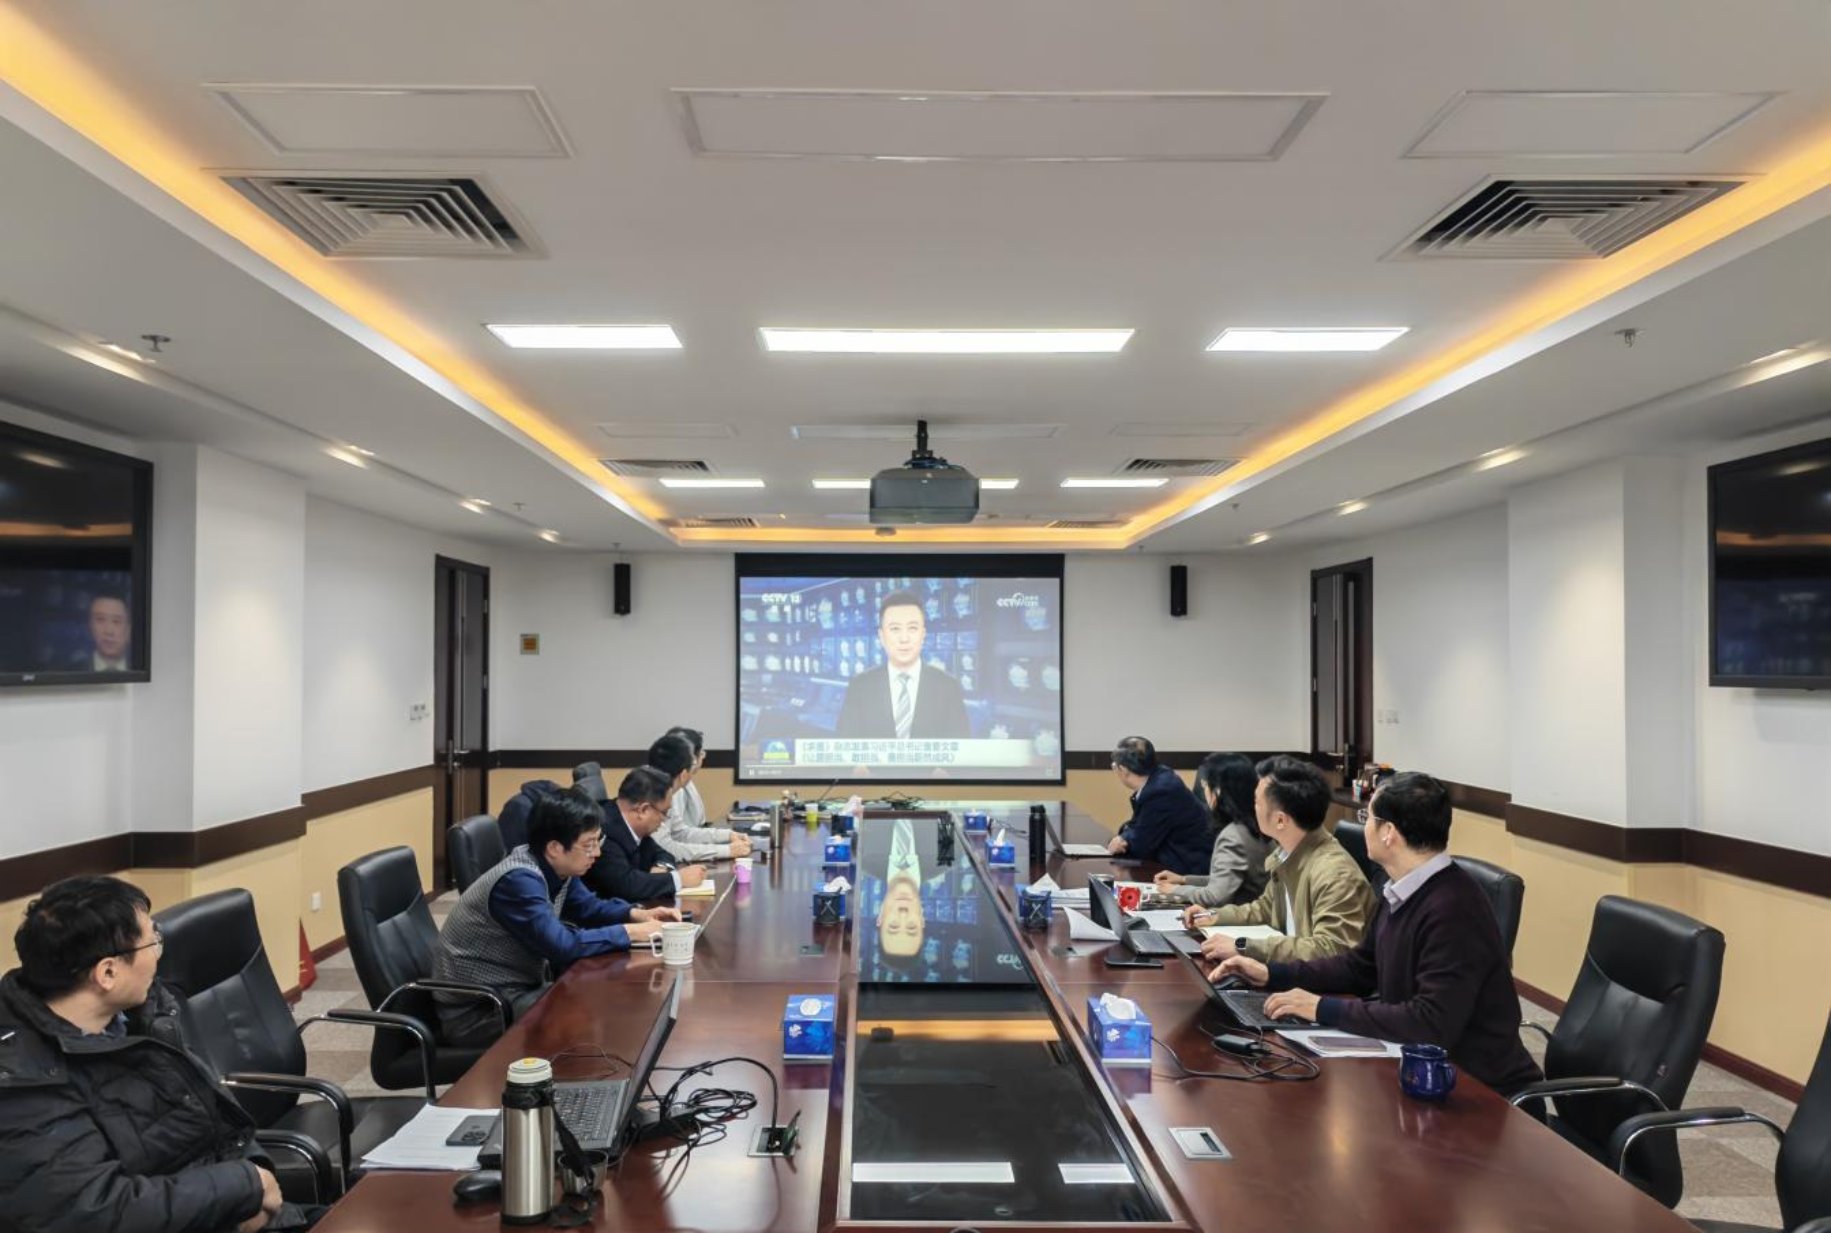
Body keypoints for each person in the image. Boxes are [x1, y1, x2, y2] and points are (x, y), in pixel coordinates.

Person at [0, 875, 303, 1233]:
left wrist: (255, 1180)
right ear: (107, 972)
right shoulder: (24, 1084)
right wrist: (245, 1187)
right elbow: (93, 1211)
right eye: (152, 943)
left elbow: (216, 1116)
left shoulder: (142, 1014)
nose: (159, 955)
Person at [1212, 772, 1543, 1095]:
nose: (1365, 826)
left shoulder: (1454, 908)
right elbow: (1359, 967)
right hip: (1419, 1069)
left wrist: (1321, 1008)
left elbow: (1430, 1021)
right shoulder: (1401, 889)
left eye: (1367, 817)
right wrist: (1272, 973)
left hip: (1477, 1091)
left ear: (1389, 833)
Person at [432, 788, 681, 1046]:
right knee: (596, 1007)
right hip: (480, 1010)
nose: (597, 853)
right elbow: (563, 946)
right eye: (589, 845)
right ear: (554, 848)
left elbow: (588, 907)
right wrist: (630, 932)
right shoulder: (519, 881)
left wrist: (637, 914)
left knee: (604, 993)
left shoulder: (555, 867)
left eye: (598, 841)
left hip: (517, 988)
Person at [1196, 755, 1375, 965]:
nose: (1253, 807)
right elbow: (1266, 908)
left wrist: (1244, 946)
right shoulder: (1286, 854)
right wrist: (1215, 916)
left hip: (1321, 983)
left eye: (1257, 802)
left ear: (1280, 820)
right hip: (1295, 973)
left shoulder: (1335, 873)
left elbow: (1331, 949)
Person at [835, 589, 971, 739]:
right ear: (881, 636)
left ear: (923, 634)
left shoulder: (948, 687)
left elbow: (962, 748)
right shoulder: (860, 686)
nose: (904, 638)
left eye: (912, 628)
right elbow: (845, 745)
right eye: (895, 629)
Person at [1155, 752, 1275, 913]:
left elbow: (1215, 897)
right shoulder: (1255, 824)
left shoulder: (1233, 836)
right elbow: (1227, 880)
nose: (1205, 792)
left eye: (1205, 785)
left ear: (1217, 791)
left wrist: (1175, 890)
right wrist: (1184, 880)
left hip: (1240, 918)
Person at [582, 766, 708, 903]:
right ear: (643, 810)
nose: (664, 820)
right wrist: (679, 879)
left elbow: (662, 853)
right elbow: (626, 885)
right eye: (664, 813)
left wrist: (661, 868)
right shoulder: (603, 831)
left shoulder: (633, 826)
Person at [1104, 736, 1212, 874]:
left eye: (1114, 766)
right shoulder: (1159, 775)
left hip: (1187, 867)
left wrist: (1124, 840)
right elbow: (1138, 825)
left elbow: (1141, 846)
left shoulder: (1159, 791)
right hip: (1175, 858)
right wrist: (1125, 837)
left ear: (1123, 770)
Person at [648, 730, 751, 863]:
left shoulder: (663, 787)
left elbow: (681, 833)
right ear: (684, 774)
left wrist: (728, 835)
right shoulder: (652, 794)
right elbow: (667, 848)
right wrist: (728, 850)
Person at [72, 591, 131, 672]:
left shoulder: (140, 668)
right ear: (90, 626)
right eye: (100, 620)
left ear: (129, 629)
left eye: (116, 621)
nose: (109, 631)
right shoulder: (71, 672)